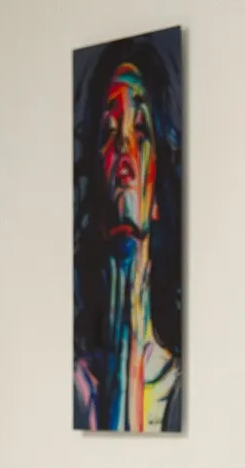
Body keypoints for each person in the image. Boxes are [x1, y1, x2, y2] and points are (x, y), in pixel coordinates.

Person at [73, 37, 182, 432]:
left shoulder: (175, 388)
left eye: (140, 130)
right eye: (109, 132)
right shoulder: (80, 389)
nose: (124, 151)